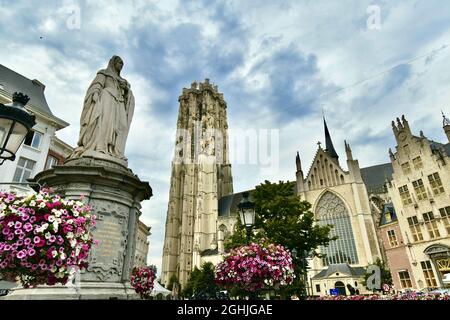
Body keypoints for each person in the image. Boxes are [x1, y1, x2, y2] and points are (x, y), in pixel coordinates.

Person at [70, 55, 135, 160]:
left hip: (119, 103)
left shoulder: (123, 81)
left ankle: (115, 152)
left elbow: (128, 96)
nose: (121, 65)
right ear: (113, 63)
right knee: (104, 124)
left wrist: (126, 90)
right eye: (119, 63)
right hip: (107, 99)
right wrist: (95, 93)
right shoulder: (104, 73)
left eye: (123, 64)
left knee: (122, 125)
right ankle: (101, 147)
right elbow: (96, 85)